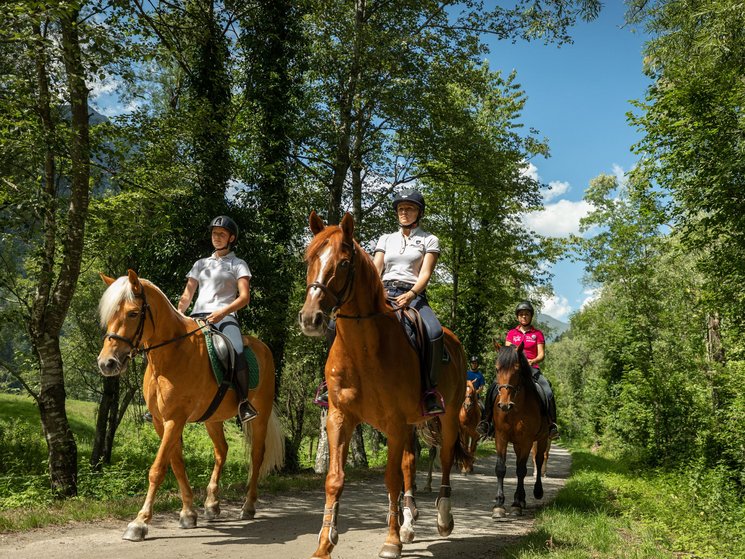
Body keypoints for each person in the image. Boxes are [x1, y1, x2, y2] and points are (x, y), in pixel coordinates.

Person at [177, 215, 258, 424]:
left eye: (222, 234)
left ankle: (243, 401)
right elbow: (187, 295)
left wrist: (222, 313)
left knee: (234, 349)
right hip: (196, 317)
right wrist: (179, 313)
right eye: (214, 233)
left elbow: (244, 298)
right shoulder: (200, 263)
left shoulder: (238, 264)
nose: (217, 237)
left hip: (224, 318)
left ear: (231, 238)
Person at [373, 188, 445, 415]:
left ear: (419, 212)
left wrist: (412, 294)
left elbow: (425, 274)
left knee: (434, 333)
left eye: (410, 208)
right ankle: (330, 382)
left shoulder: (429, 239)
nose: (404, 212)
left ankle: (430, 391)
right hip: (383, 292)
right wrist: (376, 292)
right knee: (338, 323)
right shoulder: (386, 238)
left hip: (412, 295)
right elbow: (376, 268)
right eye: (401, 208)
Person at [480, 301, 559, 440]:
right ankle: (486, 422)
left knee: (547, 390)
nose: (524, 317)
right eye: (521, 314)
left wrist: (532, 360)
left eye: (526, 314)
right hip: (513, 370)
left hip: (531, 369)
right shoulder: (511, 333)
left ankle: (551, 425)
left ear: (531, 316)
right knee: (493, 387)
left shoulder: (537, 334)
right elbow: (506, 353)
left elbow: (541, 354)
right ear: (517, 317)